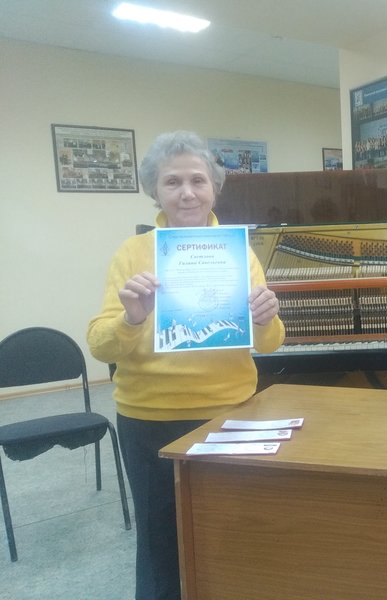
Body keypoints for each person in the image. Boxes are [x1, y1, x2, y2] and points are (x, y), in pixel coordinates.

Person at [87, 131, 285, 600]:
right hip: (149, 420)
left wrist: (266, 318)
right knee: (160, 543)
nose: (187, 193)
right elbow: (100, 345)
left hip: (229, 415)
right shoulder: (133, 253)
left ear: (215, 187)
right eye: (172, 182)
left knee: (232, 536)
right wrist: (132, 319)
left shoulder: (237, 251)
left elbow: (270, 343)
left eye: (198, 180)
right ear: (154, 191)